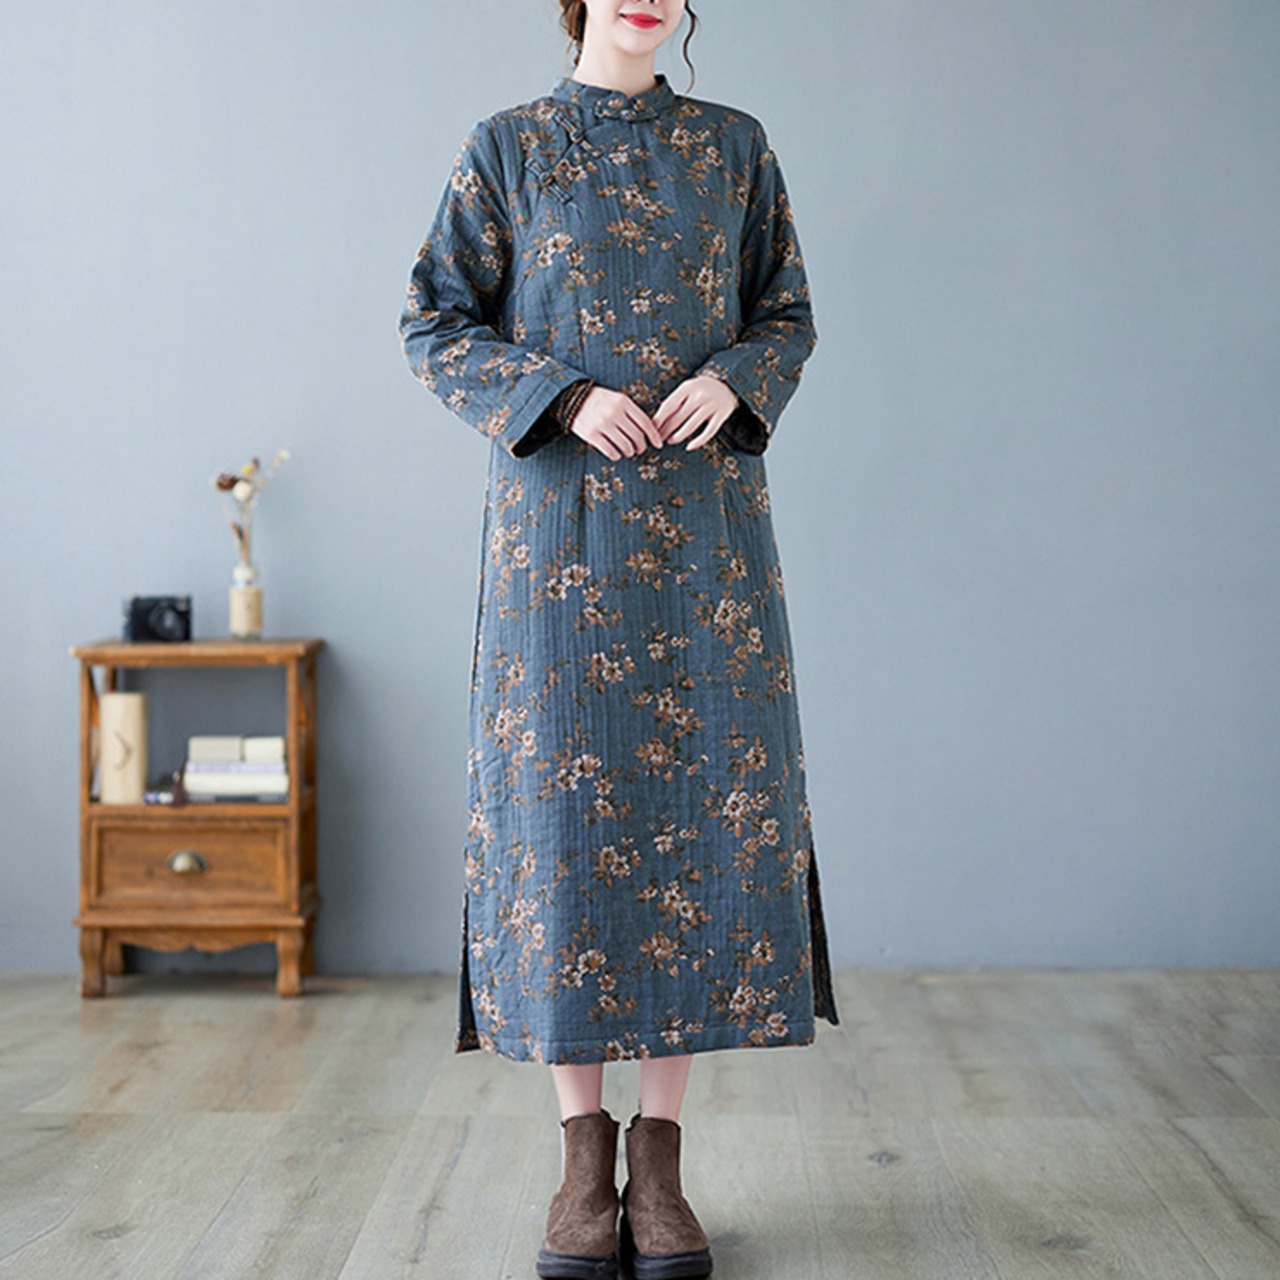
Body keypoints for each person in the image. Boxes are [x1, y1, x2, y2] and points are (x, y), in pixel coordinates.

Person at [398, 1, 839, 1275]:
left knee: (698, 815)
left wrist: (734, 377)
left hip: (706, 543)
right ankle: (579, 1160)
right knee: (564, 827)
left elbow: (787, 311)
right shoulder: (508, 145)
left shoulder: (735, 146)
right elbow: (434, 321)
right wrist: (562, 394)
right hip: (556, 544)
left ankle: (661, 1161)